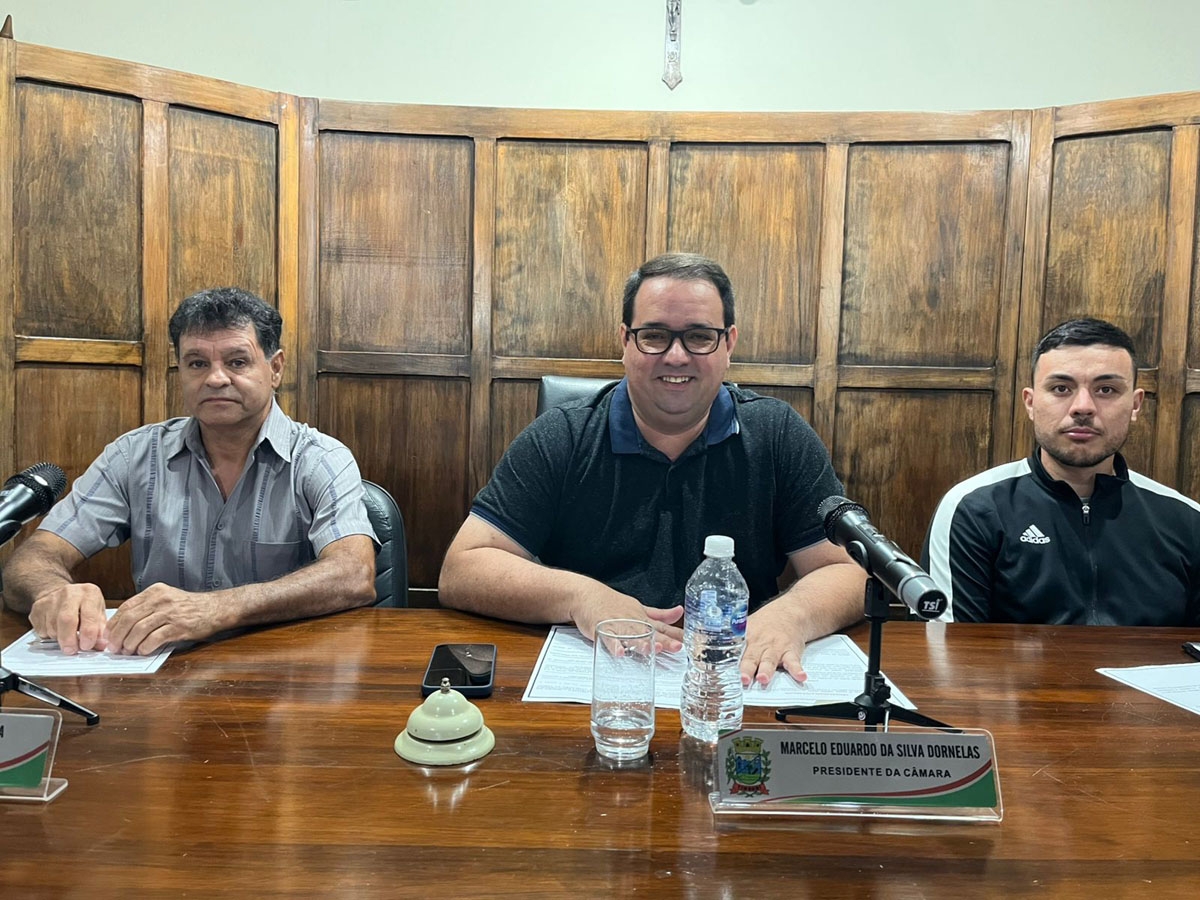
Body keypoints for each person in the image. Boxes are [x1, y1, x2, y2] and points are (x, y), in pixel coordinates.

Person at [439, 253, 865, 686]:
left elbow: (848, 570)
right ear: (625, 341)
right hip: (595, 681)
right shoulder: (563, 436)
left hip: (733, 680)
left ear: (729, 344)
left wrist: (791, 616)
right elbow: (463, 569)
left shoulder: (777, 435)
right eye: (655, 336)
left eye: (700, 337)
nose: (677, 357)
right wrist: (581, 596)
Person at [2, 287, 378, 655]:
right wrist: (53, 593)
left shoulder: (320, 458)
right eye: (197, 363)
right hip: (159, 672)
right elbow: (35, 557)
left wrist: (217, 609)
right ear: (180, 369)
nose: (215, 378)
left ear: (275, 368)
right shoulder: (134, 455)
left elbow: (353, 573)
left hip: (282, 670)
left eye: (237, 362)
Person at [922, 317, 1200, 625]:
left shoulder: (1188, 521)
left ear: (1135, 405)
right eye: (1061, 388)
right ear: (1030, 403)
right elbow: (948, 646)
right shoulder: (973, 510)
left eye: (1106, 389)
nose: (1083, 407)